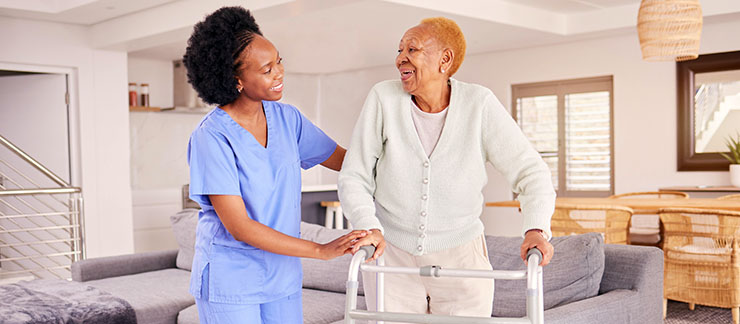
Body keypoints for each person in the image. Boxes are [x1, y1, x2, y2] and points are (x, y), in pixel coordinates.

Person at [338, 17, 556, 319]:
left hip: (462, 257)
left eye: (412, 49)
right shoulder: (383, 99)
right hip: (391, 255)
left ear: (445, 59)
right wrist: (369, 225)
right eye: (400, 50)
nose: (401, 58)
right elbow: (355, 175)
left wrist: (536, 228)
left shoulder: (479, 104)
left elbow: (532, 172)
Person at [183, 7, 368, 324]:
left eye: (279, 61)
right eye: (267, 69)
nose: (279, 73)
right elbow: (239, 226)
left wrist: (398, 166)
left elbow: (345, 160)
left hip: (282, 275)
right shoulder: (211, 137)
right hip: (231, 279)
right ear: (236, 79)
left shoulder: (288, 120)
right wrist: (321, 250)